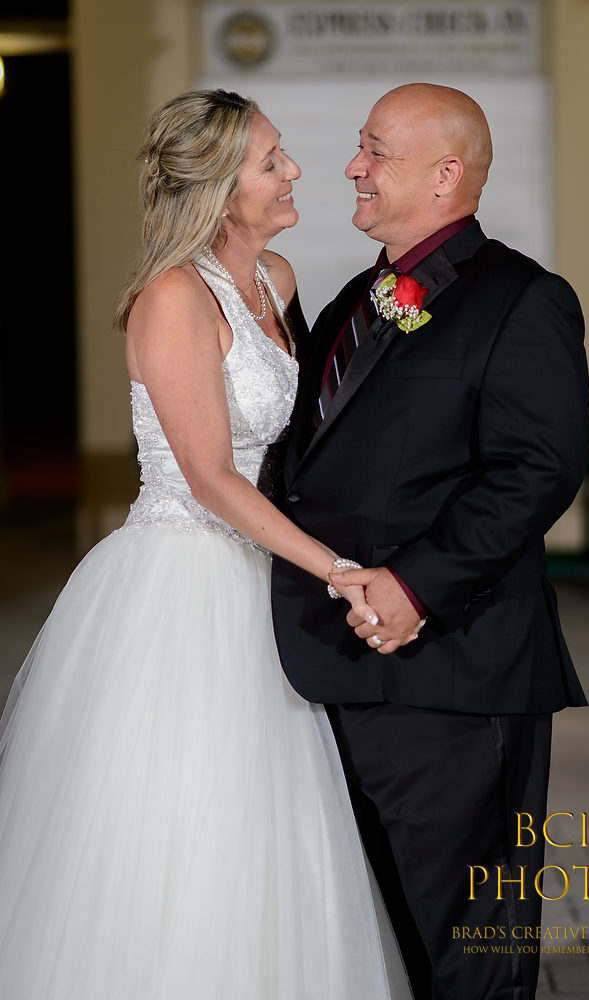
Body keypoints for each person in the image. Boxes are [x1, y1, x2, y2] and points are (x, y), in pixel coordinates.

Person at [0, 89, 412, 1000]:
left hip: (268, 571)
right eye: (271, 161)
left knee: (278, 807)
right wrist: (338, 569)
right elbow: (212, 478)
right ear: (223, 191)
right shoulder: (172, 297)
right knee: (192, 806)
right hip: (186, 579)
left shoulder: (278, 280)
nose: (293, 170)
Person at [271, 83, 589, 1000]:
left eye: (376, 151)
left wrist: (415, 585)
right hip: (333, 665)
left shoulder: (524, 300)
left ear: (447, 175)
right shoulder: (355, 300)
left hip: (455, 673)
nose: (352, 168)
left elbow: (536, 470)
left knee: (470, 949)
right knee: (381, 940)